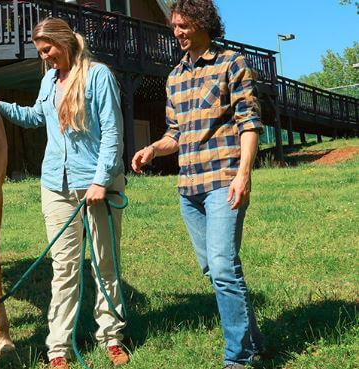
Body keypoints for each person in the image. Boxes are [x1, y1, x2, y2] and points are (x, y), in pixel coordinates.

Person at [0, 17, 129, 369]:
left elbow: (113, 133)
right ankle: (58, 348)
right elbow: (36, 116)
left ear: (64, 42)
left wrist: (100, 181)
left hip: (98, 187)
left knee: (104, 265)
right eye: (41, 52)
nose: (45, 57)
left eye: (47, 50)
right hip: (56, 186)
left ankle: (112, 337)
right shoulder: (49, 79)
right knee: (64, 268)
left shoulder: (99, 76)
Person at [131, 1, 264, 368]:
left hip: (224, 181)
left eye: (183, 25)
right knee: (215, 269)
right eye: (174, 26)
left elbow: (248, 122)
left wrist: (244, 174)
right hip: (189, 188)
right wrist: (153, 150)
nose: (177, 32)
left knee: (223, 267)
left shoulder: (231, 63)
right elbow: (176, 133)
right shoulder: (174, 77)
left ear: (203, 23)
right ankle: (253, 339)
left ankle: (238, 358)